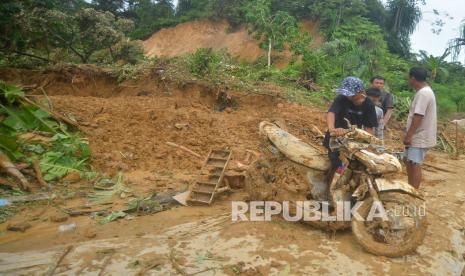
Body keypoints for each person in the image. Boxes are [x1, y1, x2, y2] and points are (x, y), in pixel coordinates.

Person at [323, 76, 378, 169]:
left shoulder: (369, 104)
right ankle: (331, 177)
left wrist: (366, 145)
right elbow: (331, 113)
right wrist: (332, 129)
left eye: (351, 95)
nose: (348, 96)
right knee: (335, 161)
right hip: (336, 135)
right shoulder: (341, 98)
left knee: (352, 164)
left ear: (360, 92)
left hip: (353, 138)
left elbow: (369, 127)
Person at [404, 67, 437, 189]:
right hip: (417, 134)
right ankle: (410, 188)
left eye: (409, 78)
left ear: (413, 78)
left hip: (419, 135)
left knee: (414, 163)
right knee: (408, 161)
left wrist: (409, 135)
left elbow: (418, 115)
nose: (408, 80)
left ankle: (413, 191)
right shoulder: (425, 92)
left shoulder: (423, 93)